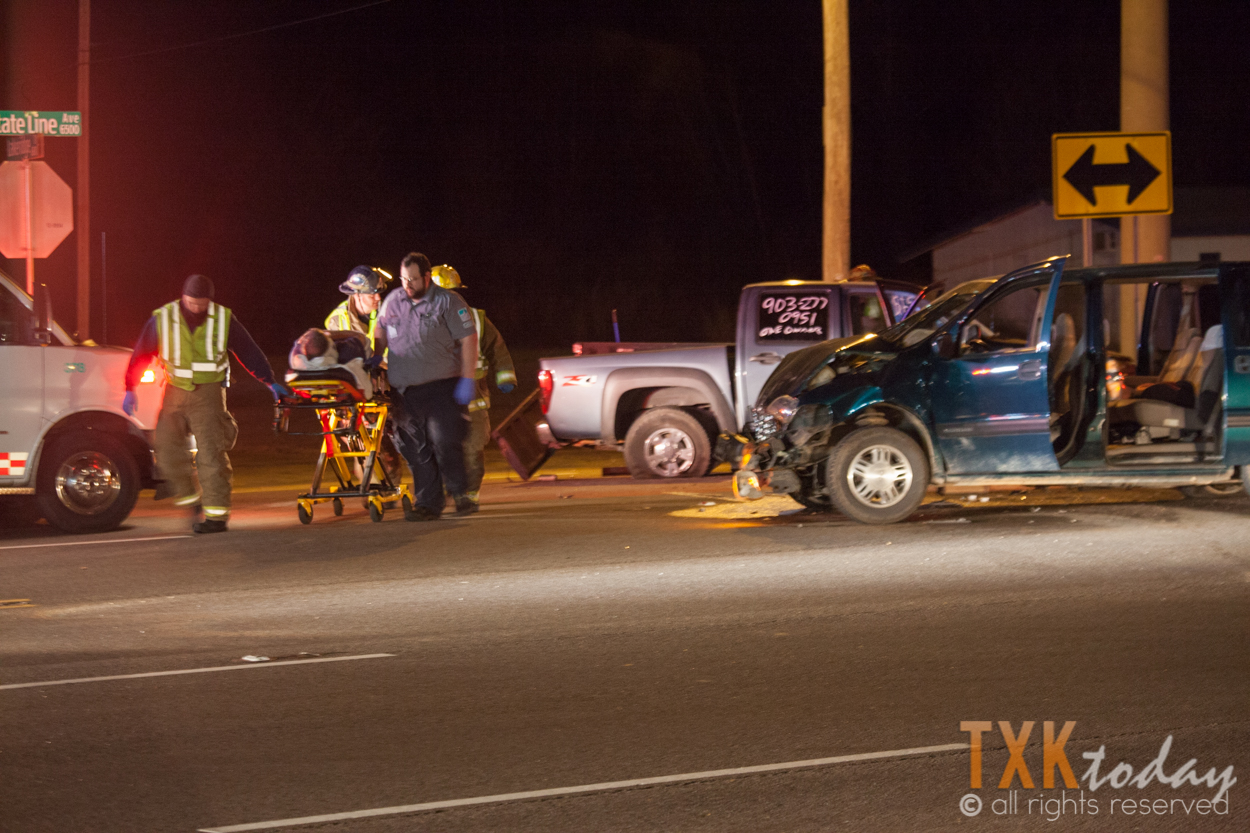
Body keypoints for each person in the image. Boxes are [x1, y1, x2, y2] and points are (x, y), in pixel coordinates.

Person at [123, 274, 288, 533]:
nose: (197, 307)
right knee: (165, 450)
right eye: (192, 302)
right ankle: (192, 501)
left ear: (210, 301)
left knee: (211, 456)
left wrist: (269, 381)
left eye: (202, 303)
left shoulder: (223, 319)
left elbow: (248, 351)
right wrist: (130, 387)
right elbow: (142, 351)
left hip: (209, 395)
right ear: (183, 297)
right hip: (174, 392)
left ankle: (217, 517)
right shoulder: (164, 318)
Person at [372, 252, 479, 520]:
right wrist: (375, 355)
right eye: (404, 279)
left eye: (413, 279)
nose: (407, 285)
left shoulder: (448, 302)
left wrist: (467, 378)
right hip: (405, 392)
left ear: (427, 277)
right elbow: (380, 330)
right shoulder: (393, 301)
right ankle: (428, 504)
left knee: (444, 441)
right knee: (414, 447)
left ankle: (460, 493)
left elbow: (469, 338)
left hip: (442, 387)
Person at [429, 264, 516, 504]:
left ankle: (469, 493)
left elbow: (497, 349)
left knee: (474, 445)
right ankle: (447, 489)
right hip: (438, 398)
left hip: (474, 398)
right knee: (439, 445)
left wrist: (505, 377)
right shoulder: (419, 322)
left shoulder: (477, 319)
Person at [325, 265, 392, 338]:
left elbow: (396, 339)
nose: (378, 298)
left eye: (378, 293)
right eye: (372, 296)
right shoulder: (337, 320)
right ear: (357, 295)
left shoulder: (388, 312)